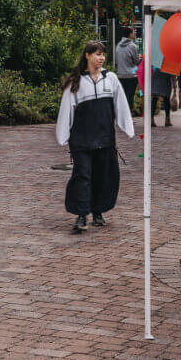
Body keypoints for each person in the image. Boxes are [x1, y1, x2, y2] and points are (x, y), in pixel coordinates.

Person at [56, 40, 135, 232]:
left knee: (103, 176)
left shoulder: (111, 79)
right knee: (82, 175)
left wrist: (127, 127)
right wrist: (63, 135)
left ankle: (98, 212)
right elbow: (66, 110)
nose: (101, 58)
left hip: (105, 138)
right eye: (97, 54)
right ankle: (81, 215)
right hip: (81, 139)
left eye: (103, 54)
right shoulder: (76, 82)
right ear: (87, 55)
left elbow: (121, 105)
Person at [115, 27, 140, 115]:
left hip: (121, 75)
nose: (134, 35)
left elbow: (116, 61)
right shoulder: (133, 46)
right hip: (131, 76)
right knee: (130, 97)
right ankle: (128, 118)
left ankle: (122, 117)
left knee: (123, 98)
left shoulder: (118, 45)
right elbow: (137, 61)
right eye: (133, 33)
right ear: (130, 34)